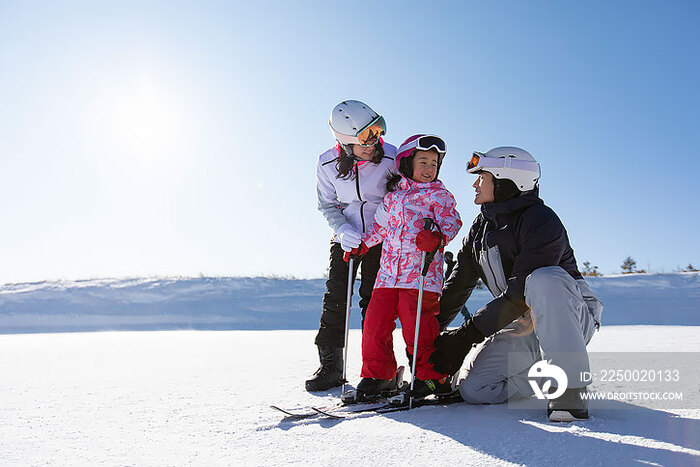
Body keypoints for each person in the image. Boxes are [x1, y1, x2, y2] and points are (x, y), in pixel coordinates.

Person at [430, 146, 603, 422]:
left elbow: (520, 292)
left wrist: (466, 336)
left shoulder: (542, 221)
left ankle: (570, 391)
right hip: (521, 323)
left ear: (505, 180)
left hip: (569, 318)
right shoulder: (480, 231)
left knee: (545, 279)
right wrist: (428, 335)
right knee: (475, 389)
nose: (475, 183)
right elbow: (458, 286)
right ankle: (543, 377)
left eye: (482, 177)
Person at [349, 134, 462, 399]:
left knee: (418, 328)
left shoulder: (439, 195)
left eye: (434, 164)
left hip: (420, 276)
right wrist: (363, 245)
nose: (429, 169)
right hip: (387, 275)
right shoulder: (392, 197)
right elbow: (379, 227)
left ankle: (431, 378)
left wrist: (438, 236)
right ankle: (379, 375)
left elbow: (452, 222)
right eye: (423, 162)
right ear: (406, 163)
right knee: (374, 324)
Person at [306, 100, 397, 392]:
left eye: (377, 130)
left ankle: (378, 370)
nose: (374, 142)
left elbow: (403, 196)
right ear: (344, 143)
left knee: (374, 303)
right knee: (335, 298)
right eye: (365, 137)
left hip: (382, 238)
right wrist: (342, 229)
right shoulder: (326, 164)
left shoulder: (393, 157)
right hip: (346, 238)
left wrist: (380, 228)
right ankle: (331, 366)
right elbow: (327, 205)